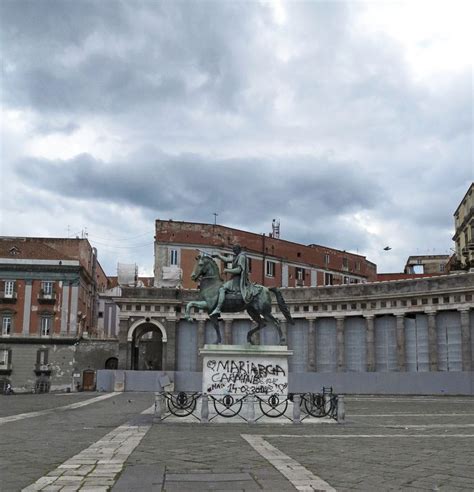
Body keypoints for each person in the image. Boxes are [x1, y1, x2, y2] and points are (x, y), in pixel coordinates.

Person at [210, 244, 255, 316]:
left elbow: (239, 270)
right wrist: (218, 256)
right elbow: (227, 260)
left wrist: (227, 270)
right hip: (235, 278)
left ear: (238, 249)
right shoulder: (237, 256)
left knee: (222, 289)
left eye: (234, 250)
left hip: (238, 279)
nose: (233, 252)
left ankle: (218, 309)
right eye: (233, 250)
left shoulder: (241, 257)